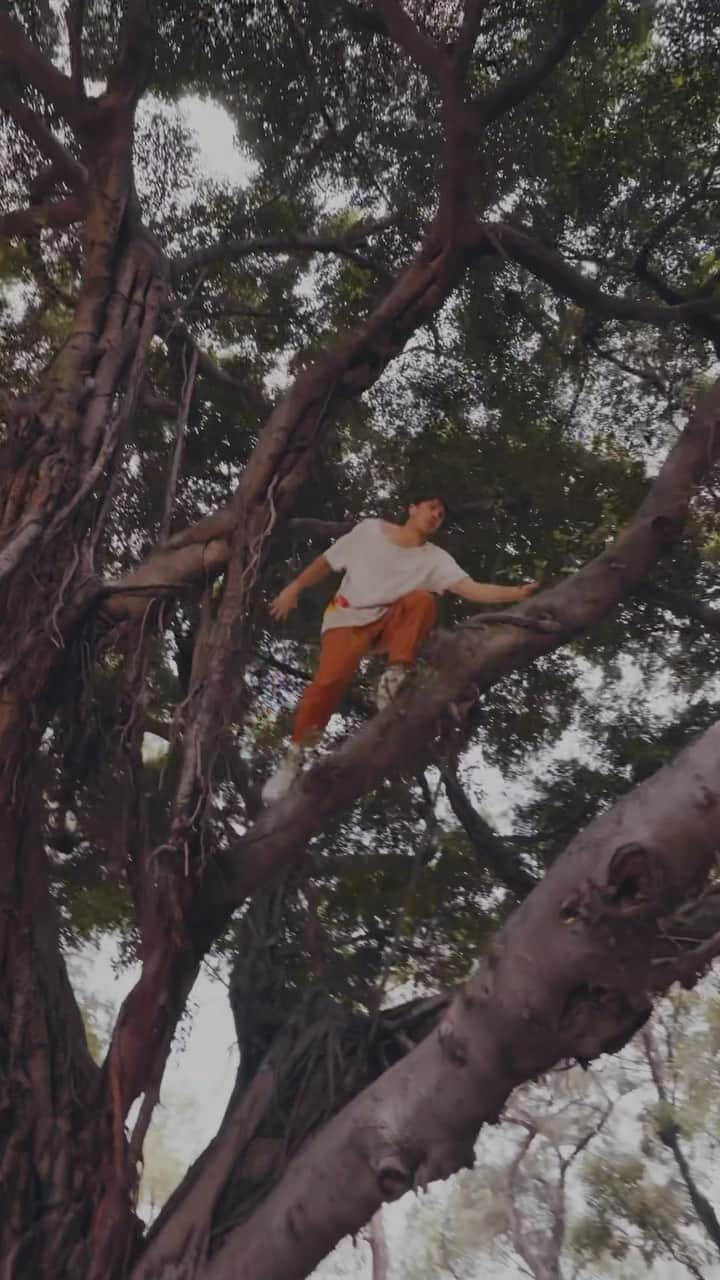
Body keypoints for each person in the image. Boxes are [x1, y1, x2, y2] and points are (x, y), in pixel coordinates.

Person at [262, 497, 538, 802]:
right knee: (328, 684)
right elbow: (327, 561)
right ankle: (296, 754)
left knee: (423, 601)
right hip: (347, 619)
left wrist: (516, 593)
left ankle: (395, 674)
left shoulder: (435, 558)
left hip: (388, 623)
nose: (436, 515)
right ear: (412, 508)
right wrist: (294, 587)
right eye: (431, 507)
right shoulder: (369, 531)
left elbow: (470, 588)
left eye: (441, 514)